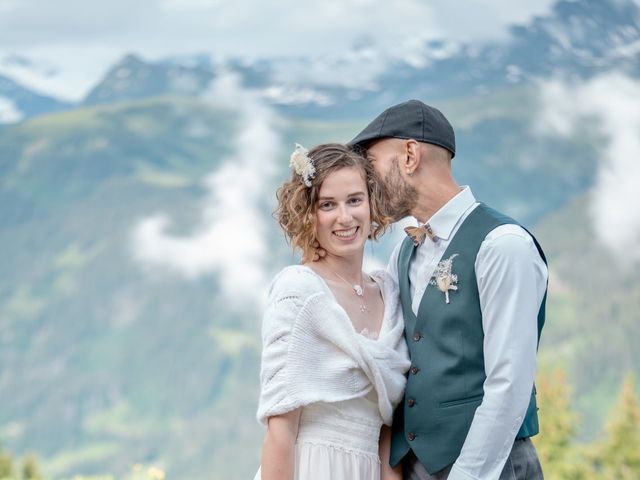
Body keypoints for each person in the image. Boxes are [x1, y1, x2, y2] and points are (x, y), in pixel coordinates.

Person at [347, 100, 549, 480]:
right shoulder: (404, 250)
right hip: (414, 466)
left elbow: (509, 384)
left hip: (492, 467)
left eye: (370, 166)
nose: (366, 183)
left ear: (410, 154)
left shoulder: (503, 245)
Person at [254, 143, 411, 480]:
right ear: (307, 214)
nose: (345, 217)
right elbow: (280, 431)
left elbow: (387, 430)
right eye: (328, 205)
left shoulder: (389, 293)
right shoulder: (298, 292)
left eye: (355, 200)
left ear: (371, 204)